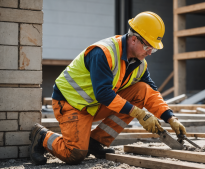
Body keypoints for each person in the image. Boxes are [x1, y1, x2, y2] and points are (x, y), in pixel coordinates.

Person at [29, 11, 186, 165]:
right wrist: (138, 113)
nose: (150, 52)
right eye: (148, 47)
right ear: (134, 39)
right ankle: (42, 136)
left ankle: (95, 142)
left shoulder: (140, 63)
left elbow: (150, 93)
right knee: (74, 155)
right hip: (71, 104)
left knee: (141, 90)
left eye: (154, 49)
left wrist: (170, 118)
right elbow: (103, 93)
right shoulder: (104, 53)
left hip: (94, 105)